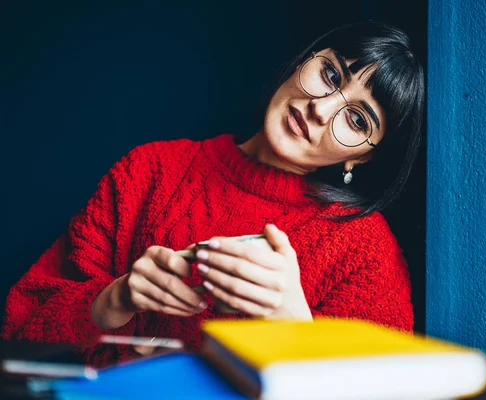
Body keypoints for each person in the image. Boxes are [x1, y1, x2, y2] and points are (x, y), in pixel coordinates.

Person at [1, 21, 424, 364]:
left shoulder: (366, 253)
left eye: (356, 121)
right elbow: (19, 332)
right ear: (303, 61)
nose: (321, 108)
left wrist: (295, 326)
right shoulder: (149, 171)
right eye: (330, 74)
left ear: (363, 159)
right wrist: (115, 298)